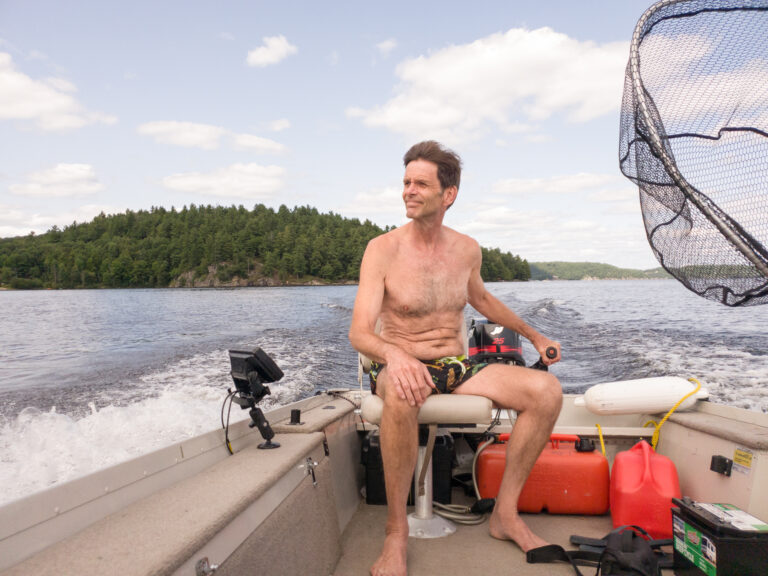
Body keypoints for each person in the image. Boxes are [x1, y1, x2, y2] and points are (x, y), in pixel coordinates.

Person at [348, 140, 563, 576]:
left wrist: (534, 335)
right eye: (406, 182)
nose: (408, 190)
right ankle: (396, 533)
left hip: (452, 366)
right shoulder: (382, 249)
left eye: (420, 183)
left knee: (546, 391)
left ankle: (505, 514)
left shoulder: (466, 249)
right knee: (403, 390)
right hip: (398, 361)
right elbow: (359, 332)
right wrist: (394, 356)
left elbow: (482, 300)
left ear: (449, 194)